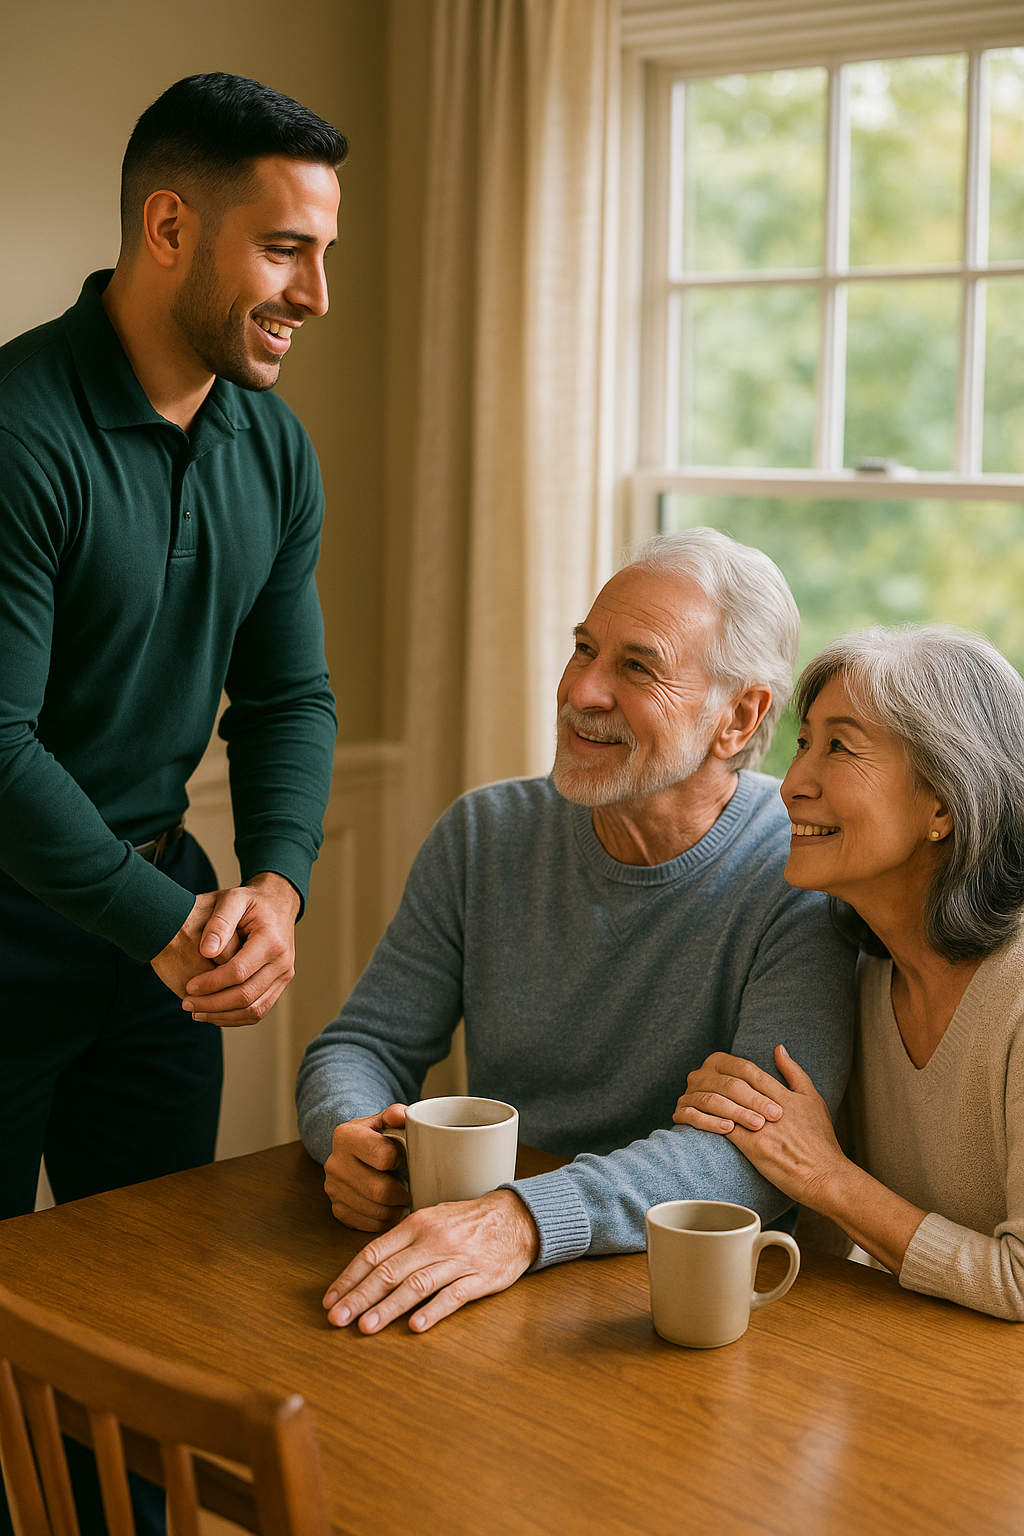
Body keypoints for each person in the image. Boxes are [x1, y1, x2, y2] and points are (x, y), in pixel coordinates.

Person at [0, 73, 345, 1535]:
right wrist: (165, 922)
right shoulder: (20, 429)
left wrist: (272, 886)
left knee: (143, 1338)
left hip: (163, 931)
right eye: (285, 250)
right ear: (167, 226)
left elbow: (288, 705)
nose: (316, 294)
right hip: (18, 931)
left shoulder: (276, 448)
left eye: (324, 252)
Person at [296, 527, 856, 1336]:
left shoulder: (799, 872)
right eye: (583, 649)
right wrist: (347, 1134)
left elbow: (750, 1160)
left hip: (669, 1306)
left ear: (739, 718)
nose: (582, 691)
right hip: (475, 1274)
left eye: (637, 666)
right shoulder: (484, 832)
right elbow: (359, 1046)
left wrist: (520, 1219)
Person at [673, 625, 1024, 1322]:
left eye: (840, 745)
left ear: (944, 805)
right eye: (804, 743)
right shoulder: (864, 975)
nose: (792, 783)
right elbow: (843, 1241)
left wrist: (827, 1175)